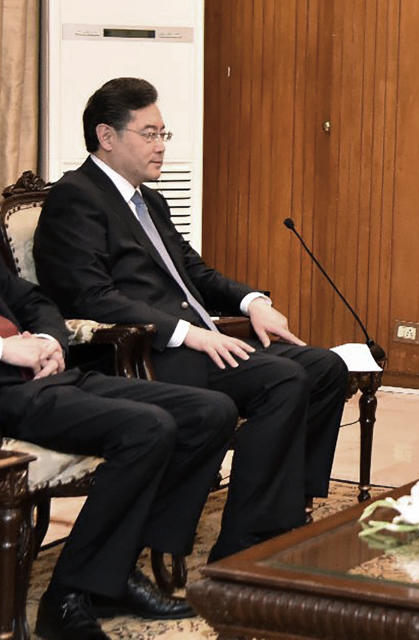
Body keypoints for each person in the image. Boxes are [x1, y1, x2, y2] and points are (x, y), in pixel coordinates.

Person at [33, 77, 350, 561]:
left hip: (200, 338)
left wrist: (250, 302)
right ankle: (245, 544)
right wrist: (188, 334)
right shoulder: (76, 198)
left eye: (164, 135)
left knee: (325, 367)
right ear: (107, 136)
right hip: (147, 354)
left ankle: (288, 511)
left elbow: (195, 272)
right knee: (283, 378)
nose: (161, 147)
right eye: (150, 134)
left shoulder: (149, 200)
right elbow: (92, 297)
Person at [0, 261, 236, 640]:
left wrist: (49, 340)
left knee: (211, 412)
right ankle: (65, 598)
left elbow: (32, 299)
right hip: (7, 394)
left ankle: (114, 571)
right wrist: (5, 350)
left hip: (51, 377)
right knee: (148, 427)